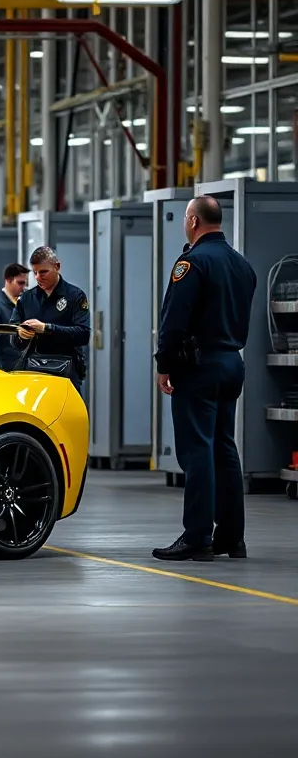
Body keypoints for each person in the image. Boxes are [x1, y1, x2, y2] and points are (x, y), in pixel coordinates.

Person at [152, 195, 257, 562]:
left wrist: (164, 363)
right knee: (224, 449)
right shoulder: (242, 265)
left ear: (193, 221)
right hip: (231, 363)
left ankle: (197, 536)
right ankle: (232, 537)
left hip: (198, 367)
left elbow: (174, 320)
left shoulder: (192, 264)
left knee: (197, 451)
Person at [9, 246, 91, 390]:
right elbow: (14, 339)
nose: (38, 277)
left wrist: (47, 328)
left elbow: (83, 334)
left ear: (57, 267)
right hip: (34, 373)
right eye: (35, 273)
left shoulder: (75, 296)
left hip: (66, 372)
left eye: (43, 272)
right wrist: (22, 334)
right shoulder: (26, 299)